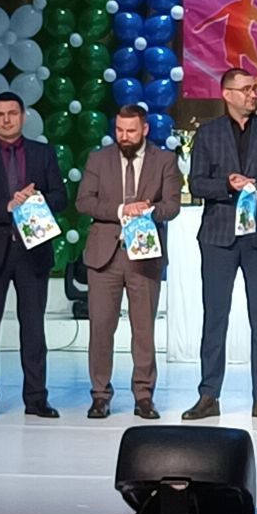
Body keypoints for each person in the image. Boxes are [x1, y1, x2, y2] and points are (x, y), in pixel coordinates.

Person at [184, 68, 257, 421]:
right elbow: (196, 183)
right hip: (218, 237)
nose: (253, 94)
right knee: (215, 317)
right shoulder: (208, 133)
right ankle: (208, 395)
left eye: (254, 88)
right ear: (227, 94)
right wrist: (227, 185)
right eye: (246, 89)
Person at [0, 92, 66, 421]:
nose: (6, 119)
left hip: (32, 253)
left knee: (33, 329)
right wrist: (6, 206)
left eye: (12, 113)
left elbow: (61, 197)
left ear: (23, 116)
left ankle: (36, 398)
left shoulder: (43, 153)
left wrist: (36, 200)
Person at [76, 105, 182, 419]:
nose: (124, 136)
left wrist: (148, 210)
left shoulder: (165, 160)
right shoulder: (99, 159)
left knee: (144, 330)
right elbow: (84, 201)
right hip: (104, 256)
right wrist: (122, 210)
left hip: (144, 256)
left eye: (131, 131)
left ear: (145, 129)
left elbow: (173, 205)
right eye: (119, 130)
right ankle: (100, 394)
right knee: (101, 328)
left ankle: (144, 396)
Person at [192, 0, 257, 90]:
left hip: (244, 38)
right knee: (236, 64)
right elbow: (216, 17)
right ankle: (241, 85)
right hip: (231, 39)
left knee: (255, 59)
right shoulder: (234, 5)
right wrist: (202, 24)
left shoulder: (252, 9)